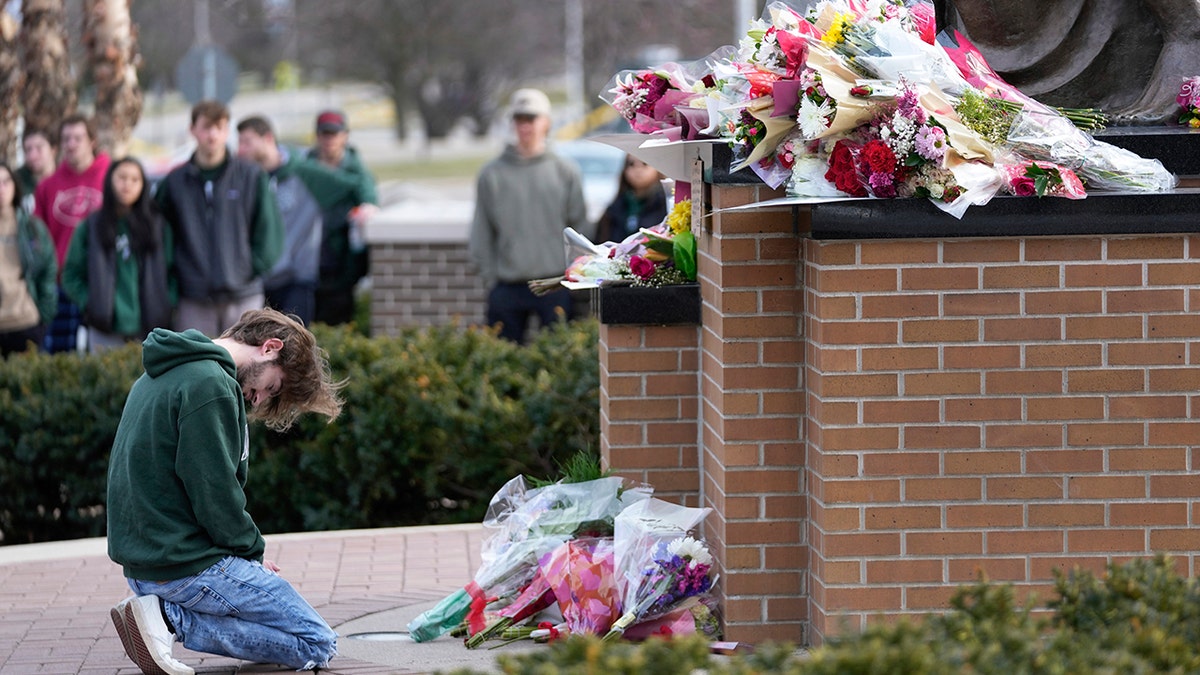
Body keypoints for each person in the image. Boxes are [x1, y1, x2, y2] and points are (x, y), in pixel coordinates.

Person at [107, 308, 344, 674]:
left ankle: (159, 613)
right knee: (318, 643)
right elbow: (213, 491)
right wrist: (250, 554)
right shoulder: (210, 384)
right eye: (272, 386)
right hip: (182, 563)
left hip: (148, 560)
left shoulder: (167, 371)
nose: (260, 398)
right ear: (270, 347)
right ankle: (169, 618)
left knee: (281, 624)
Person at [468, 88, 591, 343]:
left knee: (557, 359)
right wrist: (491, 277)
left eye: (531, 118)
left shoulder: (564, 171)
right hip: (507, 284)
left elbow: (579, 225)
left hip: (555, 282)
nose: (525, 126)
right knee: (504, 365)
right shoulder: (491, 174)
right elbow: (482, 229)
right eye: (519, 119)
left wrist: (573, 272)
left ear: (546, 122)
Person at [156, 100, 283, 337]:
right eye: (206, 127)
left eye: (219, 127)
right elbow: (162, 236)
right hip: (193, 298)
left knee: (244, 369)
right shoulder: (174, 182)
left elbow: (268, 229)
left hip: (243, 295)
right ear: (193, 130)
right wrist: (176, 277)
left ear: (227, 131)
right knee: (196, 367)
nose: (212, 135)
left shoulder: (251, 176)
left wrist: (249, 268)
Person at [236, 115, 376, 325]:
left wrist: (368, 203)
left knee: (293, 347)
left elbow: (354, 184)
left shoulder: (304, 172)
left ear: (267, 138)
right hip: (258, 281)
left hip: (297, 279)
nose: (241, 149)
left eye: (247, 142)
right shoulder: (246, 177)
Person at [61, 158, 174, 352]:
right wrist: (90, 302)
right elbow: (70, 274)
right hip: (104, 328)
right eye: (122, 177)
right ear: (109, 181)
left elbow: (172, 270)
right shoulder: (92, 225)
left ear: (143, 185)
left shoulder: (158, 225)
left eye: (134, 179)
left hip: (149, 329)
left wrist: (166, 303)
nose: (127, 184)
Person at [34, 115, 112, 353]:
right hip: (62, 286)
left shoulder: (110, 176)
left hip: (103, 283)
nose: (71, 144)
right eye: (66, 138)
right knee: (61, 358)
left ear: (92, 141)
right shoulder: (48, 186)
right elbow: (38, 238)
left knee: (105, 358)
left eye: (78, 138)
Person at [306, 110, 378, 326]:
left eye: (334, 133)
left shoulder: (358, 173)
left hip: (342, 264)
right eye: (324, 133)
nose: (329, 139)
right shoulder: (303, 168)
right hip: (306, 262)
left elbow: (370, 203)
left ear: (345, 135)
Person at [0, 163, 57, 357]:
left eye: (6, 182)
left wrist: (43, 312)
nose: (1, 189)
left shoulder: (31, 226)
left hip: (26, 321)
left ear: (15, 185)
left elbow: (48, 267)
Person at [594, 155, 668, 244]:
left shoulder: (666, 205)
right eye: (631, 164)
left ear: (657, 168)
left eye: (644, 163)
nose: (637, 168)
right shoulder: (615, 207)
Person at [15, 128, 57, 214]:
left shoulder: (66, 179)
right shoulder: (16, 181)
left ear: (53, 150)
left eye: (39, 148)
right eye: (28, 150)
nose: (32, 156)